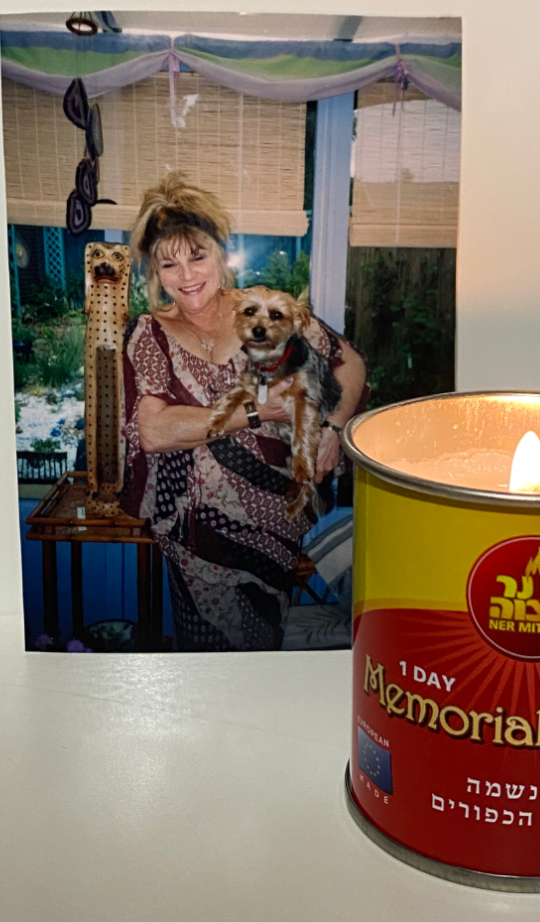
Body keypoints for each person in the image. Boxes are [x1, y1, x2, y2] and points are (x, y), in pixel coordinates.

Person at [121, 172, 367, 651]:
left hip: (274, 521)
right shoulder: (149, 333)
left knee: (259, 644)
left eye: (197, 256)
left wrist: (334, 428)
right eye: (169, 264)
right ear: (153, 271)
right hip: (195, 533)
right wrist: (258, 412)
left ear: (219, 253)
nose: (188, 276)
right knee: (208, 652)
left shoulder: (263, 307)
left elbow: (349, 362)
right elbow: (152, 430)